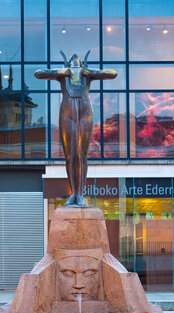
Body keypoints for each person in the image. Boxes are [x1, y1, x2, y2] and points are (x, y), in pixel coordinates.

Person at [35, 51, 117, 206]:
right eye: (72, 62)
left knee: (81, 156)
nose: (74, 62)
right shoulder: (63, 75)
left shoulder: (87, 75)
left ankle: (79, 194)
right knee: (69, 156)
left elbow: (112, 73)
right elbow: (38, 73)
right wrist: (63, 72)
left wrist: (89, 71)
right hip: (67, 115)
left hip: (84, 116)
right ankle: (73, 194)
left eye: (77, 62)